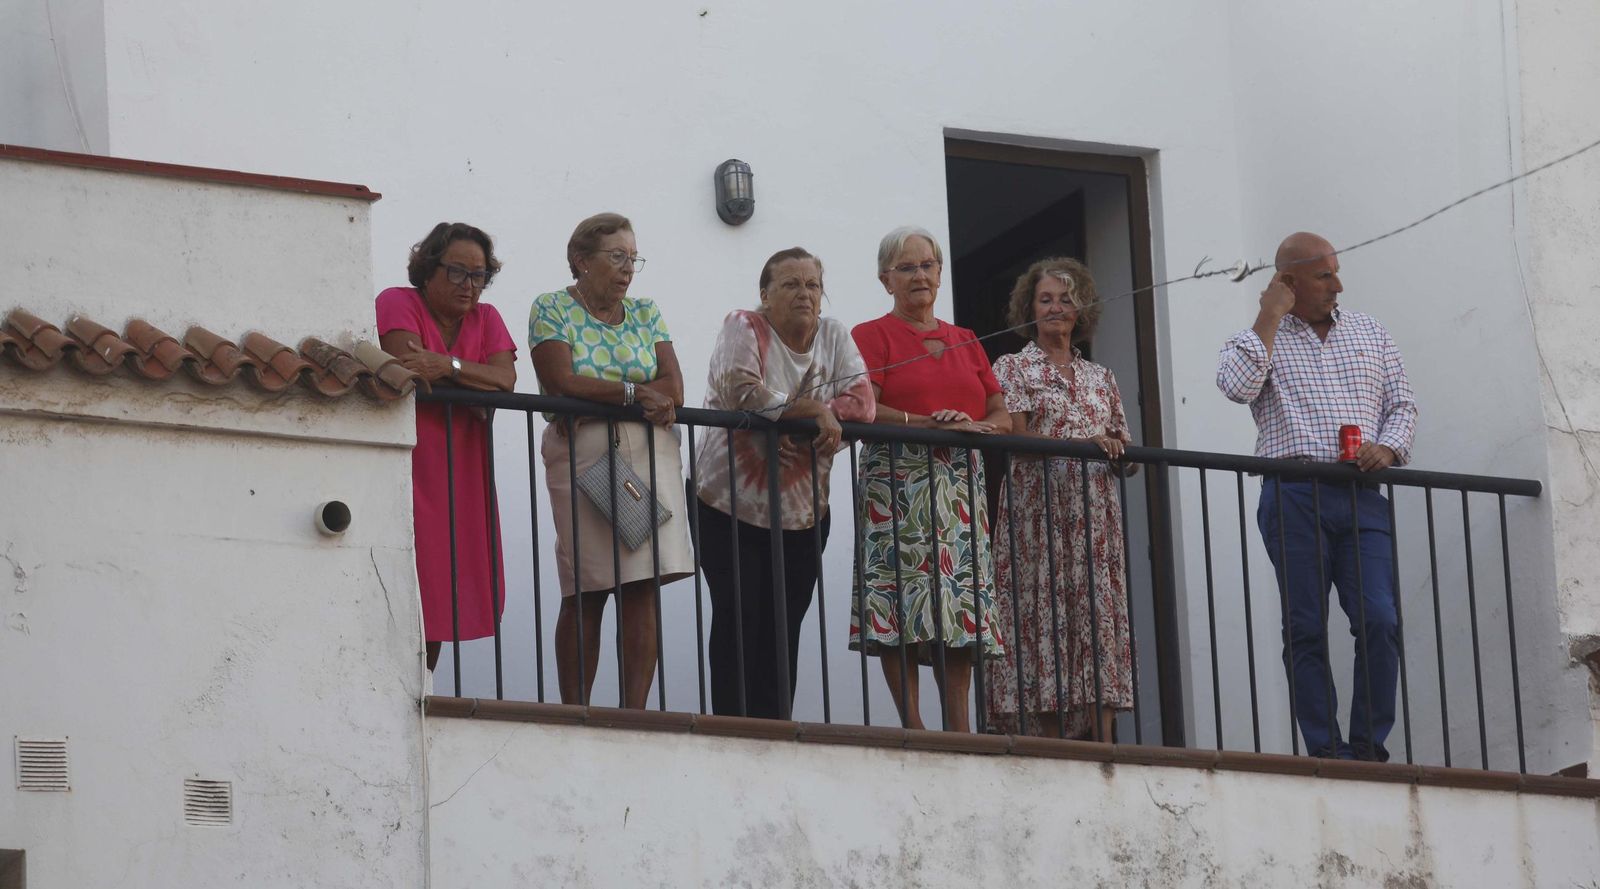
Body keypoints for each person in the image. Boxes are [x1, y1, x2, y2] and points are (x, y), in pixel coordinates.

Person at [1216, 231, 1418, 761]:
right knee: (1305, 625)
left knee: (1380, 618)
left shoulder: (1371, 333)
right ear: (1289, 281)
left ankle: (1368, 745)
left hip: (1361, 494)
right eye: (1324, 275)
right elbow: (1234, 386)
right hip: (1292, 493)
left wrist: (1388, 449)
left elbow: (1403, 407)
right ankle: (1325, 749)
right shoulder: (1259, 338)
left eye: (1335, 271)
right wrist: (1269, 315)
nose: (1338, 284)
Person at [692, 247, 875, 719]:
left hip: (803, 515)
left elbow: (862, 403)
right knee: (737, 618)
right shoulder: (744, 325)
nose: (805, 294)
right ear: (764, 294)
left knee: (784, 627)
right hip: (727, 507)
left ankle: (774, 728)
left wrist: (797, 425)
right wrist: (812, 411)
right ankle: (734, 727)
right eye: (791, 284)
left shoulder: (834, 335)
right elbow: (742, 389)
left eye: (812, 284)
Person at [530, 212, 694, 709]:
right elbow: (562, 381)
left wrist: (637, 395)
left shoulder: (646, 311)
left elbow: (675, 388)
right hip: (585, 453)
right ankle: (575, 710)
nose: (627, 269)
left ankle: (634, 714)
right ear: (581, 260)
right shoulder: (553, 307)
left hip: (648, 452)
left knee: (642, 584)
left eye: (633, 258)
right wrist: (634, 393)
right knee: (588, 583)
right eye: (616, 256)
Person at [850, 226, 1008, 732]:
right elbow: (863, 408)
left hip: (959, 485)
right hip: (898, 484)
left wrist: (976, 427)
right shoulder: (871, 335)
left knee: (957, 604)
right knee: (901, 599)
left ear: (940, 274)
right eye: (907, 267)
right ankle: (914, 726)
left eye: (927, 265)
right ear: (885, 279)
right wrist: (928, 423)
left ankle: (959, 728)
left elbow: (1001, 412)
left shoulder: (966, 339)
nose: (920, 275)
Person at [983, 258, 1136, 742]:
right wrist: (1085, 445)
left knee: (1096, 614)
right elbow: (1019, 439)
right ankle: (1050, 739)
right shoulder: (1013, 367)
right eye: (1045, 299)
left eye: (1066, 299)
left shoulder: (1101, 377)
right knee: (1042, 615)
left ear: (1081, 308)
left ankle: (1103, 738)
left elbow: (1126, 453)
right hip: (1038, 515)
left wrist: (1116, 454)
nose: (1055, 308)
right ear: (1029, 309)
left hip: (1094, 516)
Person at [376, 222, 518, 673]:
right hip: (412, 463)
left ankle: (422, 689)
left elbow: (506, 382)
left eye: (479, 275)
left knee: (447, 587)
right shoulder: (397, 301)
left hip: (464, 470)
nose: (470, 286)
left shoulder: (488, 318)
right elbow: (410, 373)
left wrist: (448, 366)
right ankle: (399, 688)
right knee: (413, 580)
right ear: (429, 268)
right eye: (458, 272)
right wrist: (473, 381)